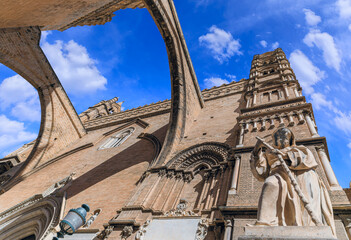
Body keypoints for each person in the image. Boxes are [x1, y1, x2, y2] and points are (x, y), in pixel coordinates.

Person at [250, 127, 335, 234]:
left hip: (302, 175)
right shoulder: (269, 153)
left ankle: (308, 229)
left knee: (305, 207)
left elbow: (308, 160)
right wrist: (256, 151)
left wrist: (285, 155)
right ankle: (265, 222)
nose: (281, 140)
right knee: (269, 183)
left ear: (290, 140)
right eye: (278, 138)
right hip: (278, 174)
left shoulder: (300, 149)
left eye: (284, 138)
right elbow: (261, 173)